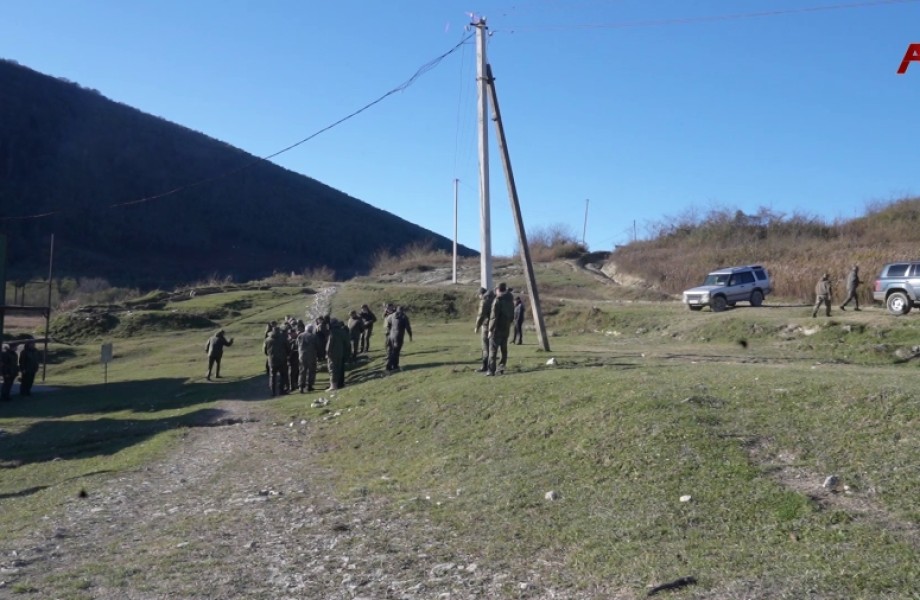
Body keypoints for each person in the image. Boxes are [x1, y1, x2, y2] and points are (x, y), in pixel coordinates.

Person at [487, 282, 515, 375]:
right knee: (504, 350)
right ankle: (501, 368)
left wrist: (490, 330)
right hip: (506, 328)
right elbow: (512, 316)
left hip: (497, 330)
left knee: (493, 350)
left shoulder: (497, 301)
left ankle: (491, 370)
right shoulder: (510, 300)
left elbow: (493, 317)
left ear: (498, 290)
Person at [474, 287, 495, 372]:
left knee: (485, 347)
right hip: (495, 325)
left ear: (481, 294)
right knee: (492, 346)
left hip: (486, 325)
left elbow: (481, 315)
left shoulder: (484, 301)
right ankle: (493, 366)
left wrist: (477, 326)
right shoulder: (494, 299)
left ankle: (485, 366)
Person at [385, 306, 412, 372]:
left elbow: (387, 323)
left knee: (392, 351)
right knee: (396, 351)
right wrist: (410, 336)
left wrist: (388, 331)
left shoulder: (391, 315)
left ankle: (395, 365)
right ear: (402, 310)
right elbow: (408, 327)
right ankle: (389, 366)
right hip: (398, 336)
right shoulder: (404, 317)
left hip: (391, 336)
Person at [326, 318, 350, 390]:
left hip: (332, 353)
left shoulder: (332, 332)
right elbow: (347, 343)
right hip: (341, 352)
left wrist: (327, 352)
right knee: (339, 368)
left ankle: (333, 386)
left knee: (332, 369)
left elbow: (329, 344)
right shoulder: (342, 331)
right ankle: (340, 384)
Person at [263, 326, 288, 396]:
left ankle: (273, 391)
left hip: (272, 360)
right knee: (283, 375)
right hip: (282, 359)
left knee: (272, 376)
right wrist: (286, 354)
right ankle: (281, 390)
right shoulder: (283, 338)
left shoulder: (267, 339)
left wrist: (269, 355)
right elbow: (288, 347)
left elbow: (264, 350)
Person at [297, 324, 319, 392]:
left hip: (301, 355)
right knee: (311, 370)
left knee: (302, 371)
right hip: (311, 355)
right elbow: (317, 345)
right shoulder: (313, 336)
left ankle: (301, 386)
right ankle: (309, 385)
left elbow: (296, 344)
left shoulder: (300, 335)